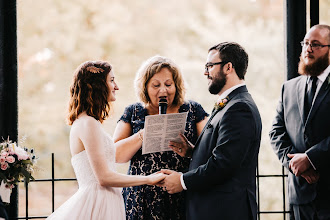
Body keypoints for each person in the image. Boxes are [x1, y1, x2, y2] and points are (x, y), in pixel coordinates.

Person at [46, 61, 165, 220]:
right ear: (98, 85)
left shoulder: (87, 122)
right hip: (98, 204)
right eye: (111, 80)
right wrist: (148, 179)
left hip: (106, 200)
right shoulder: (88, 123)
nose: (116, 86)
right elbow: (104, 177)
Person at [159, 42, 262, 220]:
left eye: (209, 66)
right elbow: (227, 153)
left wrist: (182, 181)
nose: (205, 72)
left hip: (225, 211)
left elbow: (223, 164)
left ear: (228, 67)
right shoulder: (231, 103)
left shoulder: (239, 108)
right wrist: (192, 152)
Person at [113, 55, 208, 220]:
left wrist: (191, 150)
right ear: (145, 88)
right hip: (141, 199)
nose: (163, 90)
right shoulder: (134, 112)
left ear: (177, 85)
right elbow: (116, 155)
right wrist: (143, 134)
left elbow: (211, 150)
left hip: (183, 195)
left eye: (168, 84)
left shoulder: (193, 110)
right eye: (156, 85)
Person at [269, 24, 330, 220]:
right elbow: (276, 132)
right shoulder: (289, 87)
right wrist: (295, 164)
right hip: (299, 194)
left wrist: (311, 158)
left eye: (315, 44)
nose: (308, 49)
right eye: (305, 43)